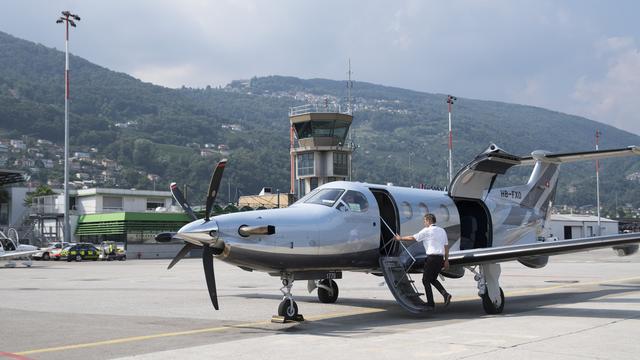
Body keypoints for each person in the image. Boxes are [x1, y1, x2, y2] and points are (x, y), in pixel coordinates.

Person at [394, 213, 452, 309]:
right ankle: (445, 294)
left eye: (425, 221)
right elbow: (446, 247)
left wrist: (400, 238)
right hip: (440, 259)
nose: (424, 223)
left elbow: (413, 238)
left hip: (431, 258)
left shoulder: (427, 231)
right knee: (432, 279)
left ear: (429, 221)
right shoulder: (442, 231)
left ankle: (430, 303)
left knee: (425, 280)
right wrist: (446, 260)